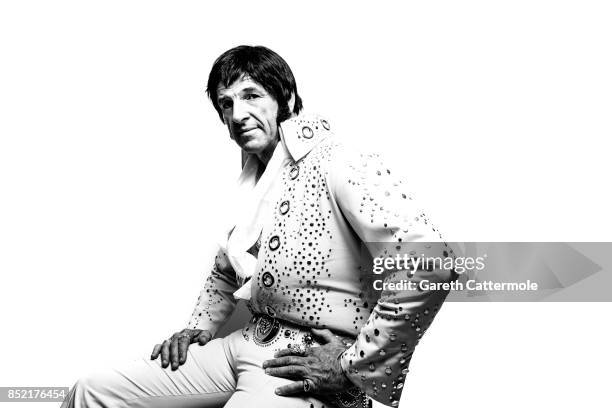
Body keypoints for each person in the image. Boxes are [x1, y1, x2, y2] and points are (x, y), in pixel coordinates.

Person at [61, 45, 454, 408]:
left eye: (251, 95)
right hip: (244, 342)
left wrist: (354, 365)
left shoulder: (341, 162)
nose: (236, 114)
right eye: (225, 103)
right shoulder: (254, 177)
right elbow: (226, 267)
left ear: (285, 99)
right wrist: (196, 328)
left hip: (299, 361)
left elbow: (430, 262)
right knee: (91, 392)